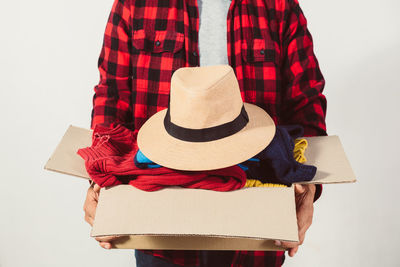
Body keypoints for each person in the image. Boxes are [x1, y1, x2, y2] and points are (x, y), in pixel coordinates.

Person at [83, 0, 327, 266]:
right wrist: (99, 178)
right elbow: (112, 98)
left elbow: (306, 103)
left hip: (257, 219)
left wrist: (308, 190)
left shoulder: (278, 5)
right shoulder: (135, 4)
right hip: (158, 220)